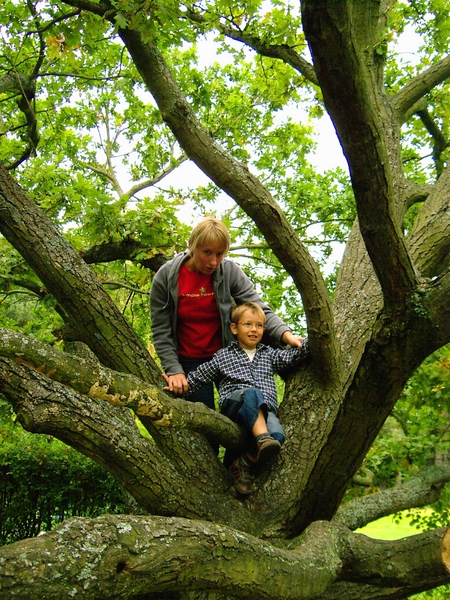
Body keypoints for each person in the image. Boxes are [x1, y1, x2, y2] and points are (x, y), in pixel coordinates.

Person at [150, 216, 303, 414]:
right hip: (190, 361)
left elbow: (258, 308)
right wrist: (174, 370)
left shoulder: (229, 271)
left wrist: (285, 334)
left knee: (247, 414)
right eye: (207, 252)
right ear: (191, 245)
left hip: (228, 355)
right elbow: (161, 330)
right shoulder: (166, 277)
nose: (213, 261)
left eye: (220, 254)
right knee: (203, 426)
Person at [165, 302, 310, 495]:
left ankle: (243, 462)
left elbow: (293, 356)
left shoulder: (269, 355)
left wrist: (314, 340)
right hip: (236, 406)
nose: (254, 330)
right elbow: (198, 378)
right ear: (234, 328)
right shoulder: (223, 356)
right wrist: (177, 386)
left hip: (264, 410)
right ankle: (262, 438)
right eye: (248, 324)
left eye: (259, 326)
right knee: (251, 393)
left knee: (278, 436)